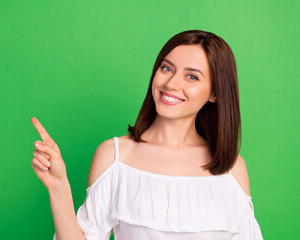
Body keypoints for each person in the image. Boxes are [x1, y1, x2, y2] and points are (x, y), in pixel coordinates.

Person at [31, 29, 264, 240]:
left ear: (215, 92)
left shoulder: (231, 169)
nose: (171, 83)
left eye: (192, 76)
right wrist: (58, 186)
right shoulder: (115, 157)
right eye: (167, 68)